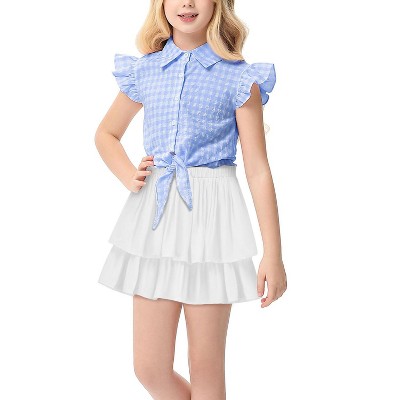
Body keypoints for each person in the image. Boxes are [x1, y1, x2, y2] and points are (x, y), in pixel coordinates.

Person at [95, 0, 287, 398]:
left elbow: (257, 170)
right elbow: (106, 134)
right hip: (156, 219)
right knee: (149, 367)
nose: (186, 3)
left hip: (212, 221)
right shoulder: (146, 70)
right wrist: (129, 174)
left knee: (205, 366)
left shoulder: (239, 78)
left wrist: (273, 254)